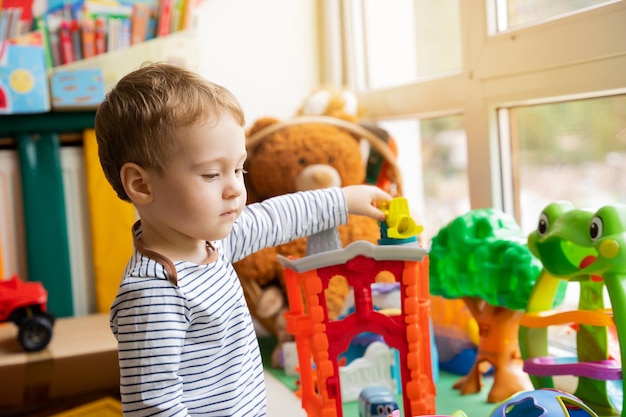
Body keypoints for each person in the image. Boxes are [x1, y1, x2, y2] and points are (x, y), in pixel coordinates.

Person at [94, 62, 392, 417]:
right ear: (142, 185)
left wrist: (342, 200)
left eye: (239, 168)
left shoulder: (212, 243)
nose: (236, 187)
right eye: (211, 174)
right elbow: (154, 406)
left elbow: (277, 216)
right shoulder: (152, 295)